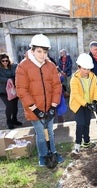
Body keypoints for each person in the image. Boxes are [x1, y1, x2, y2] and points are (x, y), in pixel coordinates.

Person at [15, 34, 64, 167]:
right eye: (39, 51)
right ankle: (42, 156)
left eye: (45, 52)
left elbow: (57, 86)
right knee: (41, 134)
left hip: (49, 107)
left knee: (50, 132)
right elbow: (21, 90)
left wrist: (53, 106)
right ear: (32, 50)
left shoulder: (51, 66)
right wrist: (35, 110)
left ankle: (52, 152)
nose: (42, 55)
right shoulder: (23, 66)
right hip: (34, 109)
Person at [69, 53, 97, 154]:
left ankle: (86, 141)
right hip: (78, 105)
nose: (87, 71)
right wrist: (86, 104)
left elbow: (96, 90)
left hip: (89, 104)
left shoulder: (93, 77)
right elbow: (76, 95)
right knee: (80, 123)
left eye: (88, 69)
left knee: (87, 123)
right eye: (84, 68)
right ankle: (77, 144)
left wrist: (94, 101)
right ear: (79, 67)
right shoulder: (74, 79)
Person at [0, 53, 22, 129]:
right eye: (3, 61)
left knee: (15, 107)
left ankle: (14, 120)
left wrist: (11, 79)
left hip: (13, 90)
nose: (5, 62)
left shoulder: (12, 67)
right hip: (3, 92)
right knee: (9, 106)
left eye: (6, 60)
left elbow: (16, 74)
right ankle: (9, 122)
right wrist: (8, 79)